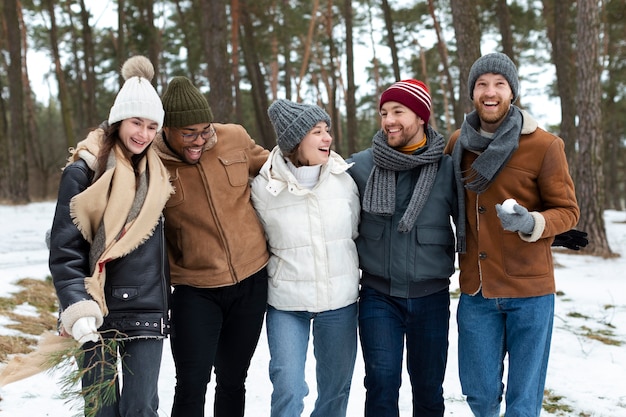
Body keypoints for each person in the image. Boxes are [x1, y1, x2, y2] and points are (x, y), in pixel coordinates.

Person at [444, 52, 580, 417]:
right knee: (480, 395)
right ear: (473, 92)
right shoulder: (458, 144)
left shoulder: (544, 145)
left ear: (512, 92)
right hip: (477, 290)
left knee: (523, 403)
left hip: (530, 292)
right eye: (482, 84)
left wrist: (532, 223)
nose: (490, 92)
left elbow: (568, 212)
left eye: (499, 84)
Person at [48, 55, 173, 417]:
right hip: (93, 309)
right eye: (136, 122)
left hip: (146, 308)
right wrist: (75, 305)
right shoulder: (83, 171)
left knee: (140, 409)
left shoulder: (159, 175)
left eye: (152, 126)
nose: (143, 134)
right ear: (119, 120)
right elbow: (65, 250)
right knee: (100, 409)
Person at [153, 76, 270, 417]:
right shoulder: (151, 163)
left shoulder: (233, 137)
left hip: (251, 280)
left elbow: (277, 170)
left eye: (204, 131)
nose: (199, 141)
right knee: (191, 382)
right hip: (195, 289)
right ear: (167, 129)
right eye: (188, 133)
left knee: (234, 380)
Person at [347, 79, 459, 417]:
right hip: (379, 295)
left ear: (421, 117)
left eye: (398, 111)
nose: (389, 120)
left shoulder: (447, 167)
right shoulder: (361, 166)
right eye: (384, 112)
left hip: (431, 296)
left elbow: (480, 214)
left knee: (428, 389)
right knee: (381, 383)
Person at [250, 99, 361, 417]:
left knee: (335, 389)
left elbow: (353, 232)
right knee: (288, 387)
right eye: (317, 132)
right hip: (287, 304)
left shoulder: (344, 180)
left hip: (339, 302)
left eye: (327, 130)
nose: (327, 138)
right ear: (295, 140)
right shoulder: (263, 187)